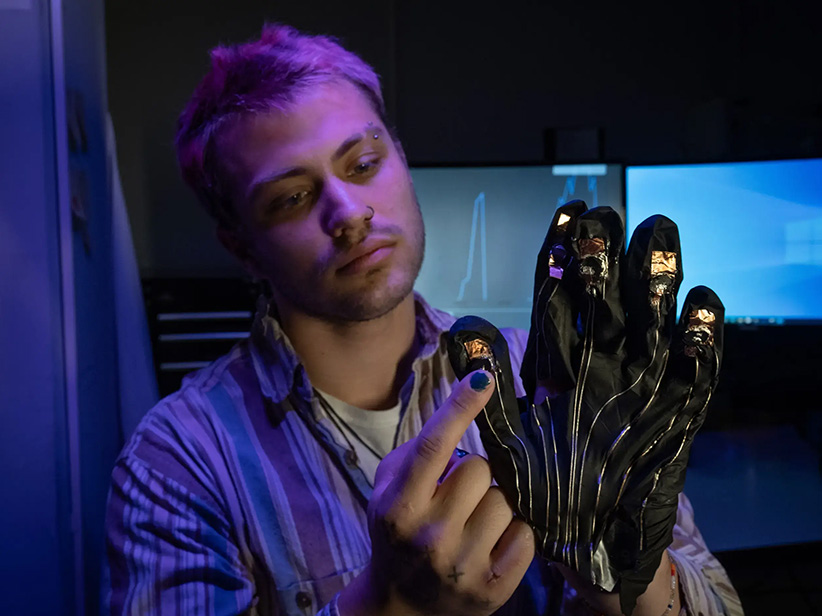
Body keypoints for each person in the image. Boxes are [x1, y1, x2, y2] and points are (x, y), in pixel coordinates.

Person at [102, 23, 743, 616]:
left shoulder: (552, 375)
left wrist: (626, 574)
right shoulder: (177, 463)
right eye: (291, 198)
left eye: (362, 164)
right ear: (240, 243)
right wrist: (390, 602)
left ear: (402, 160)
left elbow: (717, 600)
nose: (348, 213)